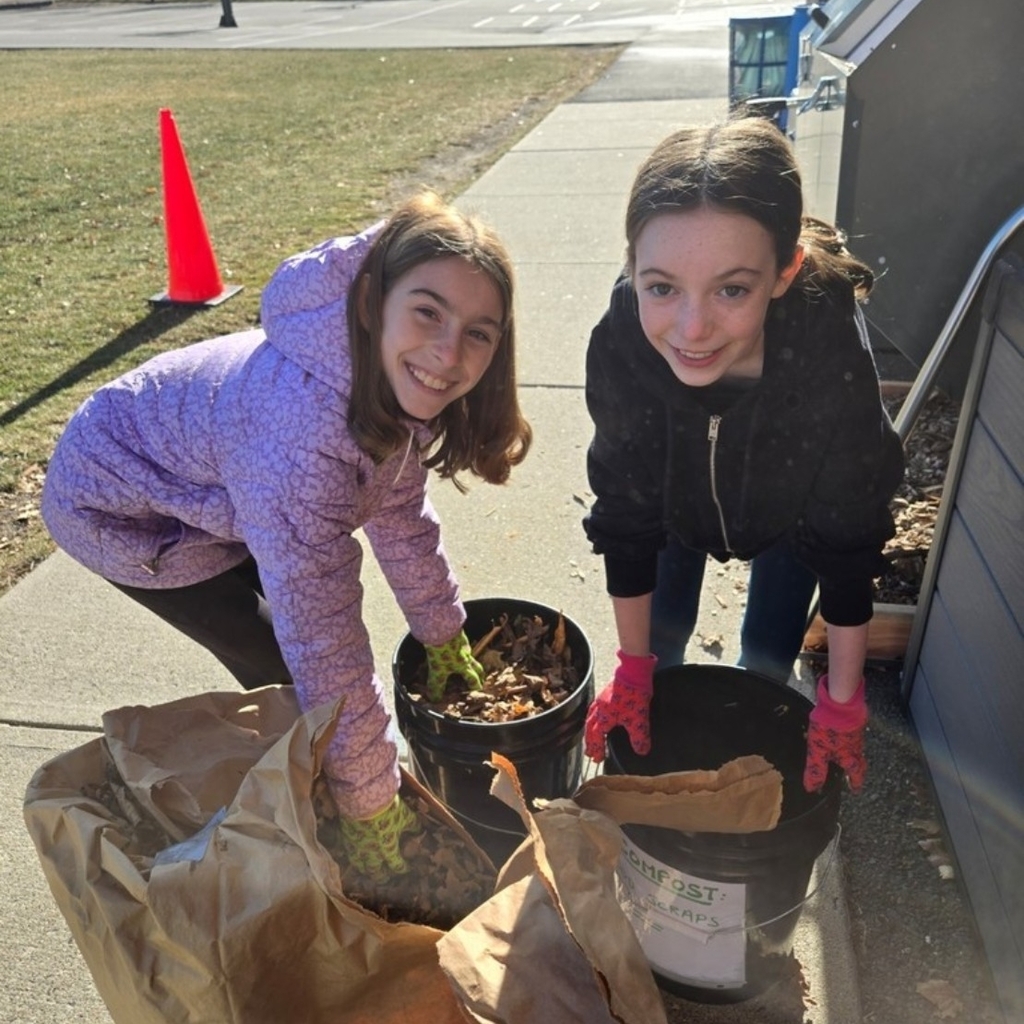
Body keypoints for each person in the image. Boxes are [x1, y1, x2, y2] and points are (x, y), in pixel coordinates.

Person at [41, 191, 531, 876]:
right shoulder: (301, 438)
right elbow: (322, 629)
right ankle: (314, 811)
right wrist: (372, 798)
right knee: (279, 656)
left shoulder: (387, 380)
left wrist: (443, 632)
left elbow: (400, 516)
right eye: (428, 311)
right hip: (122, 508)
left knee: (300, 644)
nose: (450, 353)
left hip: (213, 480)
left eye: (479, 331)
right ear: (369, 307)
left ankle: (333, 777)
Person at [580, 118, 904, 793]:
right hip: (677, 510)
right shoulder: (621, 342)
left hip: (791, 517)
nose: (692, 330)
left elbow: (848, 534)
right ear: (632, 266)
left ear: (785, 271)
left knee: (765, 659)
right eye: (661, 286)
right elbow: (628, 508)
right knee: (659, 654)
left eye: (732, 289)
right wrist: (632, 669)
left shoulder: (828, 350)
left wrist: (841, 700)